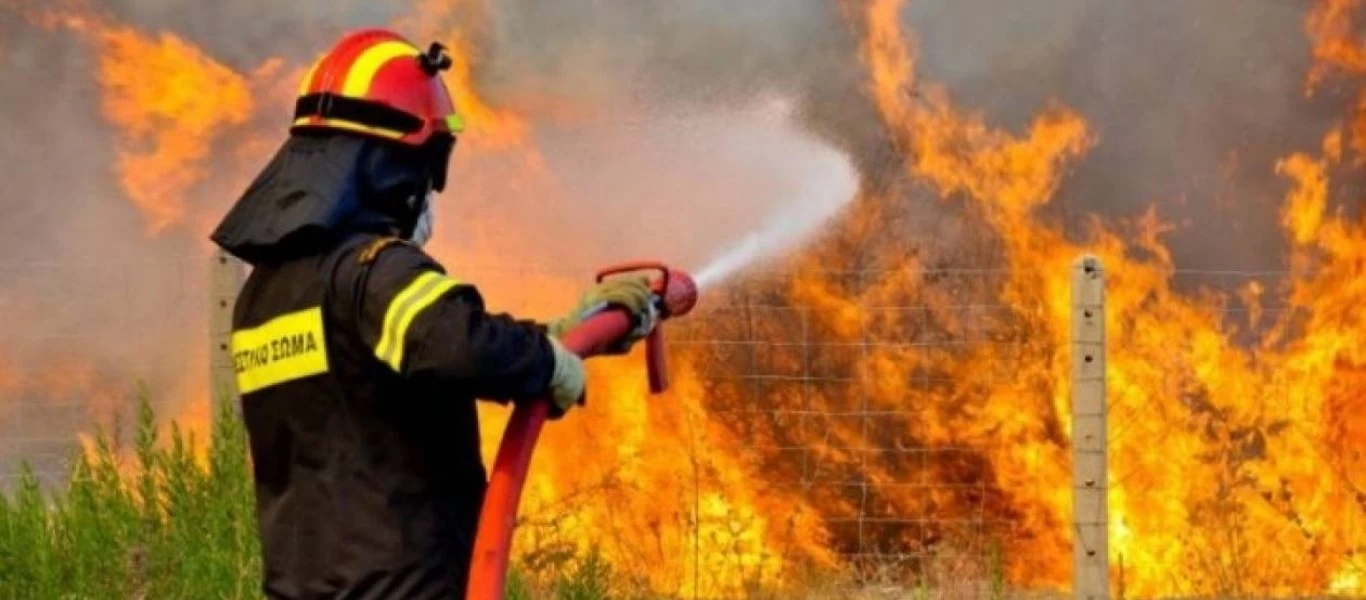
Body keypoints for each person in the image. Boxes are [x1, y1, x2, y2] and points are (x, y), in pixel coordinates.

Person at [208, 28, 656, 600]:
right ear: (392, 167)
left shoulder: (263, 296)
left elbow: (385, 366)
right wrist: (548, 362)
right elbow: (457, 344)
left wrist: (556, 335)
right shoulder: (374, 271)